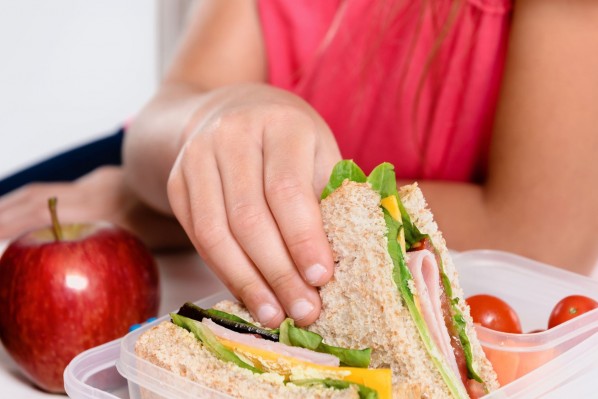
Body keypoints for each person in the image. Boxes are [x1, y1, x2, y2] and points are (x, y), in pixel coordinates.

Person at [1, 0, 597, 328]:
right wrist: (215, 114)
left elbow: (539, 234)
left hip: (408, 221)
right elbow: (171, 107)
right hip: (187, 161)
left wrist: (169, 211)